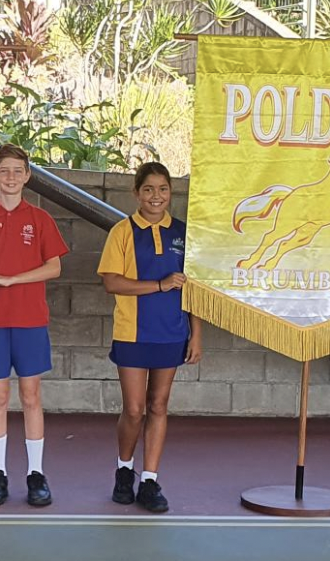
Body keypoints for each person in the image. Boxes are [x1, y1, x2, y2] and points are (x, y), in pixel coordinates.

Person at [100, 161, 201, 513]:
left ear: (170, 192)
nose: (156, 196)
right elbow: (112, 282)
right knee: (134, 409)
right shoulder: (122, 232)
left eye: (162, 189)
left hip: (172, 333)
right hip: (132, 332)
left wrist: (196, 335)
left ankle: (149, 480)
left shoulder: (184, 234)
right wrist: (159, 285)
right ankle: (124, 471)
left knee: (159, 405)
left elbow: (194, 291)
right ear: (136, 193)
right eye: (148, 189)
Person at [0, 145, 68, 507]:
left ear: (27, 176)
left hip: (30, 321)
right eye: (4, 170)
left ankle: (36, 474)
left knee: (31, 396)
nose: (10, 177)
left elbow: (54, 267)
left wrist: (12, 280)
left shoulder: (40, 219)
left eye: (17, 170)